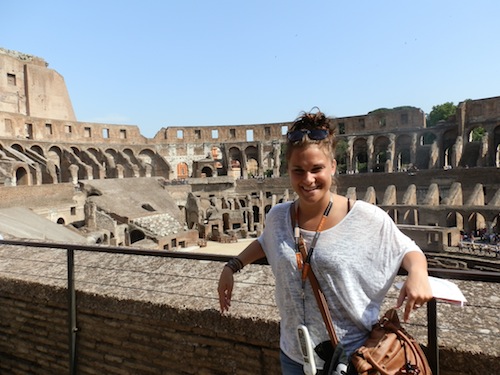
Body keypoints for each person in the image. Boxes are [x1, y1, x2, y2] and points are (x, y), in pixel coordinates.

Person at [217, 109, 432, 374]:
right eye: (298, 171)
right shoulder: (278, 217)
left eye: (316, 169)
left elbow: (407, 249)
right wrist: (232, 266)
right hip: (295, 357)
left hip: (354, 359)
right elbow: (266, 242)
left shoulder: (363, 216)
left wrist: (419, 273)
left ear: (332, 166)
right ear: (288, 170)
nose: (308, 180)